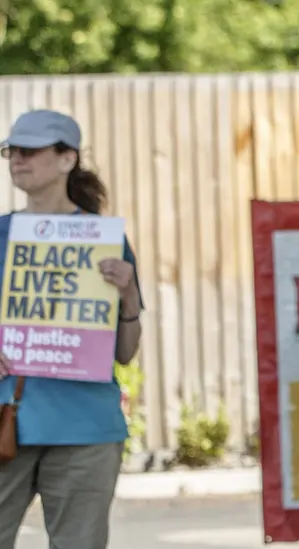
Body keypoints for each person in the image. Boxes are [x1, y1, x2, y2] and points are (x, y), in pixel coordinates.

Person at [0, 110, 143, 549]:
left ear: (67, 160)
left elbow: (124, 353)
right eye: (11, 151)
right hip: (8, 420)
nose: (17, 159)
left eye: (30, 150)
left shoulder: (105, 239)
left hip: (87, 431)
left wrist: (129, 296)